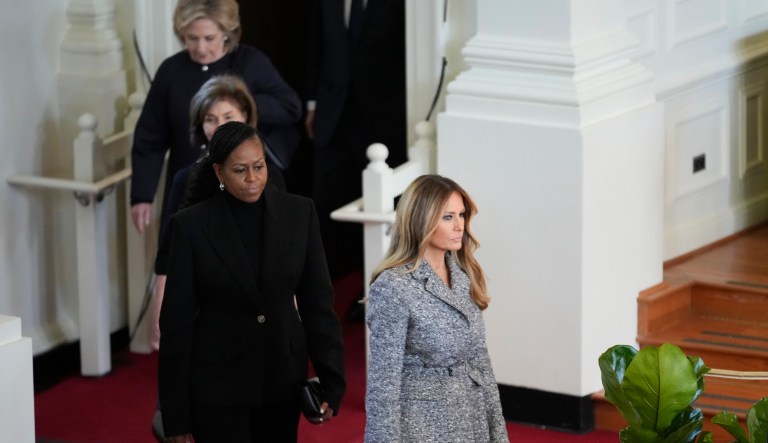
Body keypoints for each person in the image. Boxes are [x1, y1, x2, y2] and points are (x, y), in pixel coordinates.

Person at [158, 121, 345, 442]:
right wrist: (176, 417)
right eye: (239, 170)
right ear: (219, 173)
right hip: (216, 386)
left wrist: (332, 381)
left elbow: (318, 306)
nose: (252, 178)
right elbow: (176, 326)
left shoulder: (300, 214)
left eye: (259, 166)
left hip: (281, 378)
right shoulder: (189, 227)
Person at [130, 0, 301, 238]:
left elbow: (290, 107)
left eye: (209, 38)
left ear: (227, 34)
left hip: (243, 194)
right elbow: (150, 139)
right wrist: (142, 195)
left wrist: (241, 103)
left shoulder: (250, 62)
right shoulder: (171, 71)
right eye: (191, 38)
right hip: (187, 191)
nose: (200, 48)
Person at [364, 175, 509, 443]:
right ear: (421, 220)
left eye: (461, 215)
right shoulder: (393, 286)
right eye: (447, 217)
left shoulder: (463, 273)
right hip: (421, 426)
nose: (459, 226)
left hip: (471, 419)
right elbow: (383, 385)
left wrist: (498, 435)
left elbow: (481, 362)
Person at [149, 73, 285, 350]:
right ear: (201, 125)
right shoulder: (185, 179)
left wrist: (293, 310)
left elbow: (286, 249)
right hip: (206, 305)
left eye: (227, 116)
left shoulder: (272, 177)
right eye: (210, 118)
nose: (219, 125)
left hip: (261, 301)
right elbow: (168, 255)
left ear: (245, 116)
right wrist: (159, 312)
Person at [305, 0, 408, 280]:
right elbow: (317, 45)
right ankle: (328, 281)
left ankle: (376, 283)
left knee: (384, 202)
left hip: (383, 116)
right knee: (326, 199)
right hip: (333, 111)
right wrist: (313, 104)